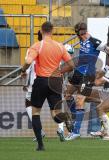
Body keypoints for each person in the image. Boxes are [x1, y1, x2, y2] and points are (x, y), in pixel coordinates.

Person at [64, 22, 109, 140]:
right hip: (78, 72)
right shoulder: (81, 39)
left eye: (81, 34)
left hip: (87, 74)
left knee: (79, 100)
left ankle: (76, 132)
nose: (79, 37)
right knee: (67, 94)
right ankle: (75, 118)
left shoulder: (95, 42)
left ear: (84, 31)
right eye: (78, 35)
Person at [21, 21, 74, 151]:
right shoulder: (60, 46)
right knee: (56, 115)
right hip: (56, 81)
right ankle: (65, 116)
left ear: (40, 31)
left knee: (35, 113)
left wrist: (23, 70)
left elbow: (28, 61)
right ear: (52, 31)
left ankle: (40, 145)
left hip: (41, 81)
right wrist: (59, 71)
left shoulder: (37, 45)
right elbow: (72, 65)